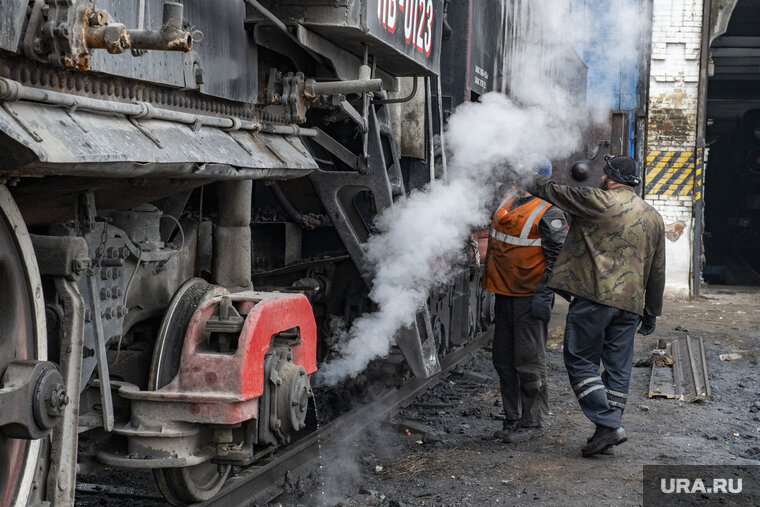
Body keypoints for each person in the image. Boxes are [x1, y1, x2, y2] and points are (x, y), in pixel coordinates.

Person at [526, 154, 665, 457]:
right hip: (631, 305)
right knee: (617, 367)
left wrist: (524, 175)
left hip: (594, 296)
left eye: (604, 172)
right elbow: (657, 269)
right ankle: (606, 429)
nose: (601, 176)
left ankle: (607, 423)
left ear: (610, 176)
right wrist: (652, 310)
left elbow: (554, 192)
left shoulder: (597, 200)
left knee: (580, 360)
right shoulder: (653, 216)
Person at [482, 159, 568, 443]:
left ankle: (532, 422)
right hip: (504, 291)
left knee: (528, 361)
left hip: (529, 295)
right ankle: (513, 417)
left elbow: (558, 257)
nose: (517, 176)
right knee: (503, 359)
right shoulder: (510, 197)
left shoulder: (549, 211)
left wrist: (545, 292)